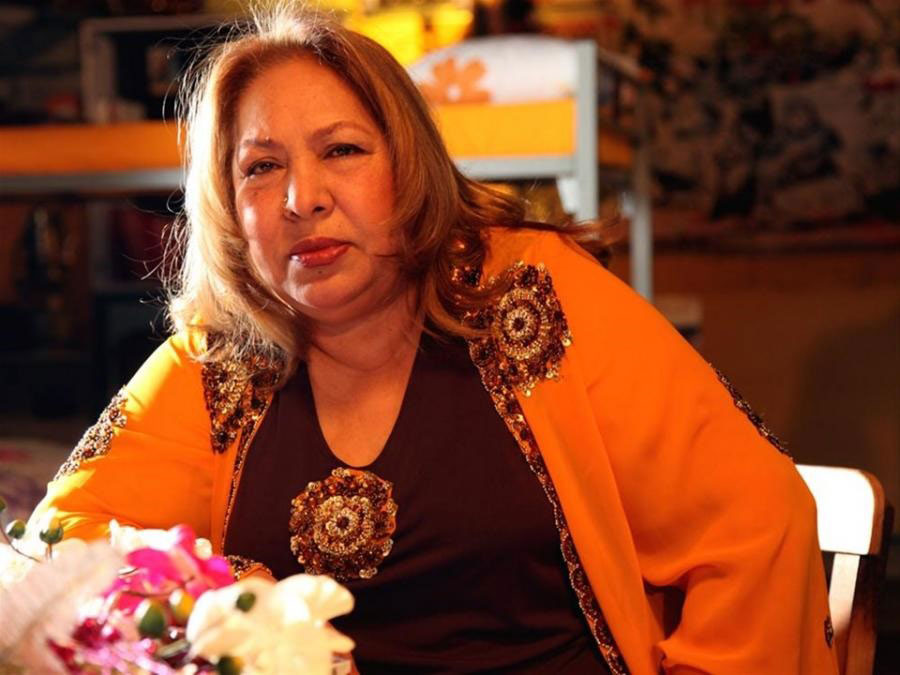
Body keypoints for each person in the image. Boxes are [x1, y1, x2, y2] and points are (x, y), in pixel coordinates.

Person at [32, 6, 838, 674]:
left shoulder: (531, 293)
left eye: (342, 150)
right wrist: (231, 603)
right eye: (260, 168)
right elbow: (60, 544)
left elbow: (759, 520)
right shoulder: (222, 356)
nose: (301, 197)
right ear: (229, 207)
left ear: (407, 164)